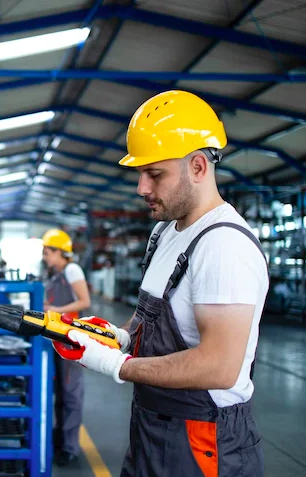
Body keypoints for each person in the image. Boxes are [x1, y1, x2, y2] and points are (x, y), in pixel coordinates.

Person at [56, 90, 269, 477]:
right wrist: (119, 337)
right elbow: (149, 319)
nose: (141, 188)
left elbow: (220, 367)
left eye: (154, 174)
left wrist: (118, 365)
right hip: (152, 426)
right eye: (140, 174)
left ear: (199, 167)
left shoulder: (223, 246)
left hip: (203, 441)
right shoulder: (166, 233)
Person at [41, 228, 91, 467]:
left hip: (70, 338)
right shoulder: (55, 273)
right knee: (59, 390)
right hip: (56, 336)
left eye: (48, 252)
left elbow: (84, 301)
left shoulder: (72, 270)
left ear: (61, 252)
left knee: (70, 392)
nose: (45, 257)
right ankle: (60, 438)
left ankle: (70, 446)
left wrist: (53, 310)